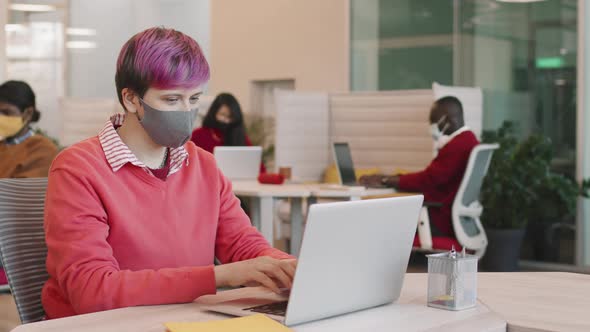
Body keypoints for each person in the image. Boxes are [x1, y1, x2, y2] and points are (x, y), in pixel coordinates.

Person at [42, 27, 295, 319]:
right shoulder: (77, 169)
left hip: (185, 318)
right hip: (100, 324)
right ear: (131, 99)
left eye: (195, 99)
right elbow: (92, 291)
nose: (187, 111)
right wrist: (218, 277)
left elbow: (243, 245)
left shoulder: (204, 165)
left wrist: (288, 266)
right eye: (172, 100)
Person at [360, 96, 479, 237]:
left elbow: (428, 179)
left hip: (438, 219)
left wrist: (386, 180)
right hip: (451, 218)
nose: (432, 126)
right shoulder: (469, 139)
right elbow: (433, 177)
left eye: (434, 121)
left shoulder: (458, 145)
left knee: (376, 223)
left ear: (448, 120)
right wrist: (392, 178)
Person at [191, 92, 266, 173]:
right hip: (207, 181)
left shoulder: (240, 136)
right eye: (222, 115)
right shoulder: (198, 135)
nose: (226, 120)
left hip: (240, 183)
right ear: (213, 112)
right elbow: (190, 164)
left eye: (230, 117)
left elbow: (259, 168)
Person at [0, 80, 58, 178]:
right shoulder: (3, 144)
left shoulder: (42, 149)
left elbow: (22, 191)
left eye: (6, 112)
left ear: (28, 114)